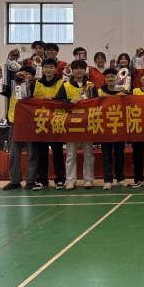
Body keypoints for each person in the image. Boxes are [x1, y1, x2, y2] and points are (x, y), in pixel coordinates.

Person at [0, 64, 38, 190]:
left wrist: (24, 81)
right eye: (22, 73)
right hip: (15, 124)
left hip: (31, 125)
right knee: (14, 154)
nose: (24, 75)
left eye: (27, 74)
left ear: (33, 77)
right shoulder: (13, 88)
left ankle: (31, 180)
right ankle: (14, 180)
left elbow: (29, 94)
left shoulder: (35, 87)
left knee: (32, 154)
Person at [54, 60, 96, 191]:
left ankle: (88, 179)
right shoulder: (65, 86)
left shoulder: (91, 85)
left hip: (87, 123)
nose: (79, 71)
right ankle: (70, 180)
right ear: (72, 70)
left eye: (81, 68)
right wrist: (68, 101)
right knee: (71, 154)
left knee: (88, 153)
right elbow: (58, 101)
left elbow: (97, 102)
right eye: (76, 68)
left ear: (85, 71)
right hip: (71, 124)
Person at [32, 58, 66, 190]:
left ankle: (60, 179)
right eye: (46, 67)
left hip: (56, 122)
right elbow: (28, 99)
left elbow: (64, 100)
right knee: (41, 153)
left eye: (51, 67)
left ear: (56, 69)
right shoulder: (36, 84)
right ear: (42, 69)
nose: (48, 70)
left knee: (57, 152)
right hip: (40, 123)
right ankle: (42, 180)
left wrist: (52, 100)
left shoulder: (62, 83)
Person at [98, 68, 129, 189]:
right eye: (108, 77)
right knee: (106, 155)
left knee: (119, 155)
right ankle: (108, 180)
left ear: (116, 78)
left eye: (112, 77)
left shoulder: (122, 91)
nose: (110, 79)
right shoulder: (99, 92)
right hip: (104, 129)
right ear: (105, 79)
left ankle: (120, 178)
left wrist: (127, 97)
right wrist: (98, 100)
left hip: (119, 128)